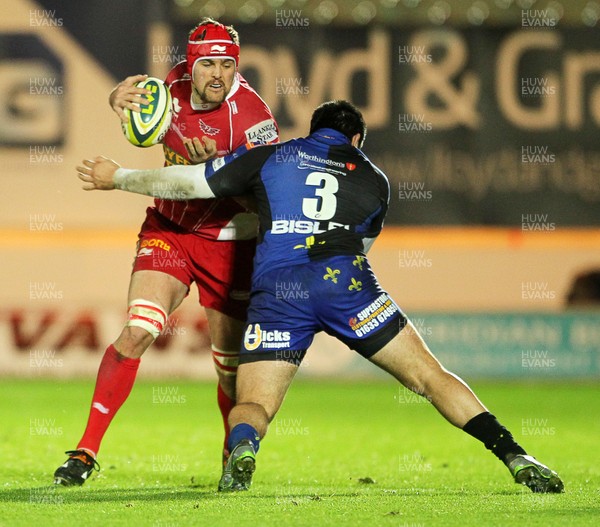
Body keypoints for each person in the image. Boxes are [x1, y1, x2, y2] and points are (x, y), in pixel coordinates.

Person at [76, 100, 564, 495]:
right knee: (430, 378)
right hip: (345, 286)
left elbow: (190, 183)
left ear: (313, 129)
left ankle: (243, 449)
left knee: (255, 404)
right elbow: (362, 243)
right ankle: (514, 453)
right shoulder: (375, 179)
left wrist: (118, 177)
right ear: (355, 140)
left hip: (279, 291)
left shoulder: (274, 155)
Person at [54, 17, 279, 486]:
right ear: (190, 65)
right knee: (137, 331)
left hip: (230, 242)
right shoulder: (170, 84)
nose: (219, 75)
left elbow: (266, 197)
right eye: (209, 64)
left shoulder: (254, 122)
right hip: (171, 229)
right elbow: (135, 104)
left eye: (228, 65)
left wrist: (214, 171)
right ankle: (85, 452)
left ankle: (231, 462)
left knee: (230, 370)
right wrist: (115, 96)